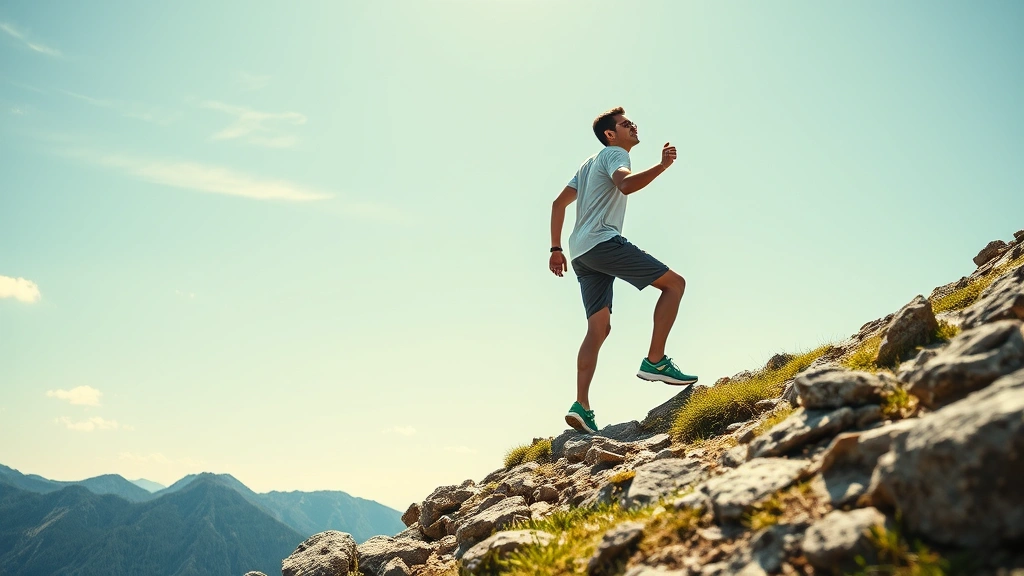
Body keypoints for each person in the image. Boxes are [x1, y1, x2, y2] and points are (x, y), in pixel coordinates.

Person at [549, 106, 697, 435]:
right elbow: (625, 186)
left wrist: (556, 249)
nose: (633, 125)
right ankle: (655, 360)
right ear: (610, 135)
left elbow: (558, 204)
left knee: (598, 328)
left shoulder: (587, 165)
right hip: (603, 244)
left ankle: (581, 406)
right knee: (675, 285)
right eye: (625, 124)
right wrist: (661, 166)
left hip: (580, 254)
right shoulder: (616, 154)